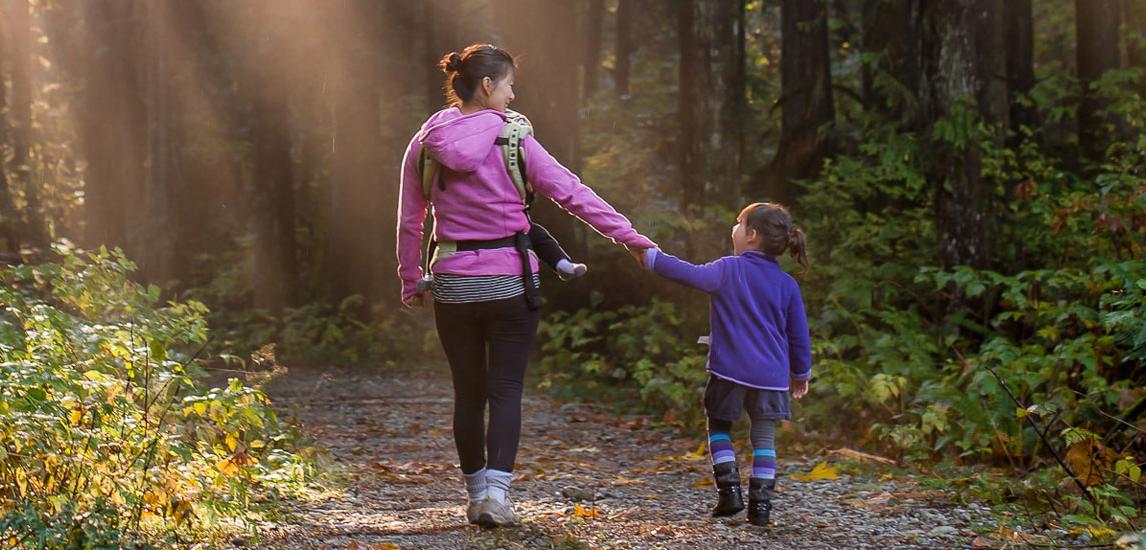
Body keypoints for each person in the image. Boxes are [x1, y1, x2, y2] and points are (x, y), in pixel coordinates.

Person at [396, 43, 654, 528]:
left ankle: (475, 497)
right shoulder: (514, 138)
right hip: (511, 281)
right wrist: (631, 239)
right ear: (488, 85)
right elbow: (572, 193)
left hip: (452, 283)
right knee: (506, 390)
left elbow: (411, 220)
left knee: (467, 393)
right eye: (510, 85)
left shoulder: (425, 141)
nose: (514, 96)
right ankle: (498, 496)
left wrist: (412, 278)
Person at [643, 202, 812, 527]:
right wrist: (800, 373)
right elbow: (799, 335)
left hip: (729, 371)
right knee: (764, 439)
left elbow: (687, 273)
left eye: (738, 224)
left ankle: (729, 491)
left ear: (751, 235)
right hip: (771, 377)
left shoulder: (728, 269)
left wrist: (651, 257)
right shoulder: (788, 285)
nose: (732, 230)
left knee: (718, 427)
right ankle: (761, 508)